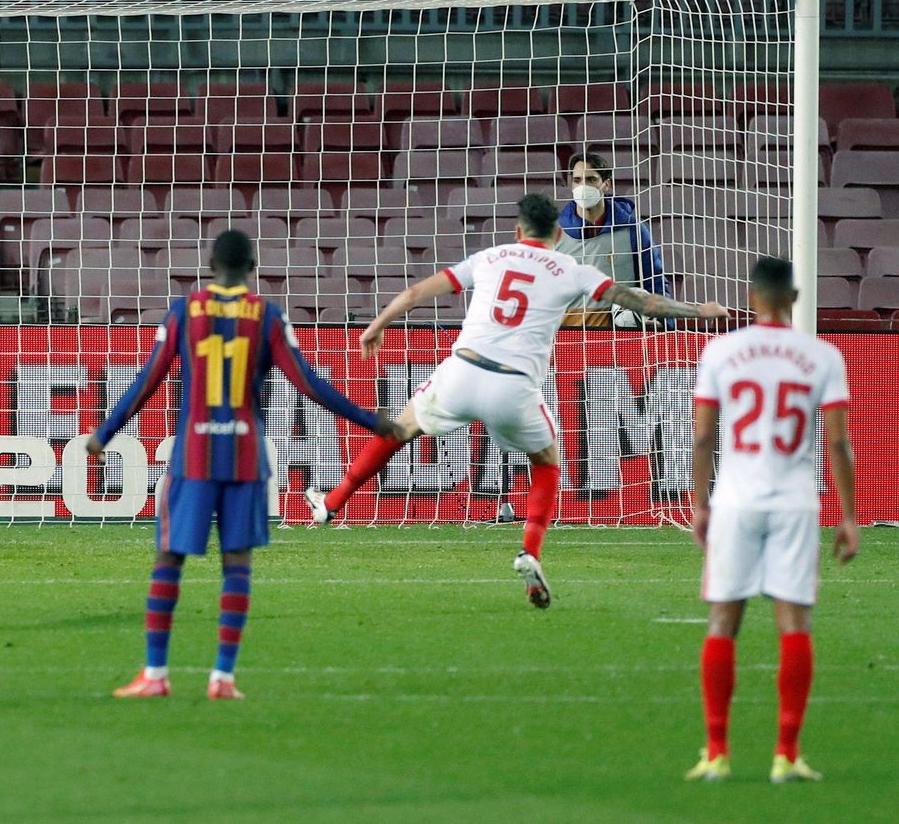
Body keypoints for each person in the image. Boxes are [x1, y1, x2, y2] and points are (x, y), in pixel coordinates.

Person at [306, 194, 727, 607]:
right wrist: (699, 312)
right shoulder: (573, 270)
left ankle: (332, 503)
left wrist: (377, 325)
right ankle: (530, 551)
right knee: (546, 462)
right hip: (513, 386)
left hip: (463, 371)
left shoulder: (490, 257)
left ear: (518, 231)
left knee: (400, 428)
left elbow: (416, 292)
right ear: (558, 234)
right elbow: (643, 302)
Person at [85, 228, 392, 701]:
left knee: (169, 557)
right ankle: (223, 678)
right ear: (253, 269)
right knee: (237, 563)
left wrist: (105, 432)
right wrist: (372, 420)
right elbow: (309, 384)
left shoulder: (184, 311)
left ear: (210, 267)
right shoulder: (267, 316)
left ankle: (156, 673)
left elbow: (148, 379)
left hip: (193, 457)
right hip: (246, 458)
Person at [685, 257, 858, 784]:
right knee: (794, 624)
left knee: (723, 622)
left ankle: (717, 753)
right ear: (795, 299)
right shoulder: (822, 356)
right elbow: (838, 443)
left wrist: (700, 503)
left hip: (736, 500)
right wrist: (850, 516)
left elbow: (703, 435)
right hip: (794, 503)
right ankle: (786, 754)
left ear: (752, 298)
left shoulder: (722, 351)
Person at [559, 152, 674, 327]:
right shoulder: (553, 234)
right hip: (567, 336)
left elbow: (654, 280)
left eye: (591, 180)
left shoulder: (633, 230)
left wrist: (665, 324)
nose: (583, 186)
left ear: (606, 184)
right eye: (577, 180)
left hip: (620, 337)